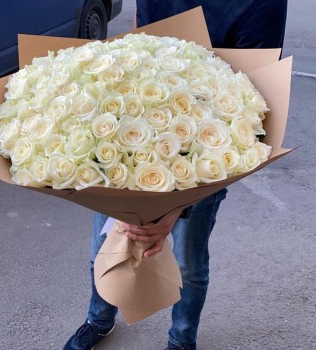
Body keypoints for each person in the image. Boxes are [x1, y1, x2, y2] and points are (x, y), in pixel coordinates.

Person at [63, 1, 288, 349]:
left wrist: (173, 207)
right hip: (127, 143)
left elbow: (254, 102)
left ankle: (182, 340)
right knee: (103, 249)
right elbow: (136, 51)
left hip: (207, 154)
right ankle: (99, 319)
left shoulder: (260, 4)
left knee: (188, 265)